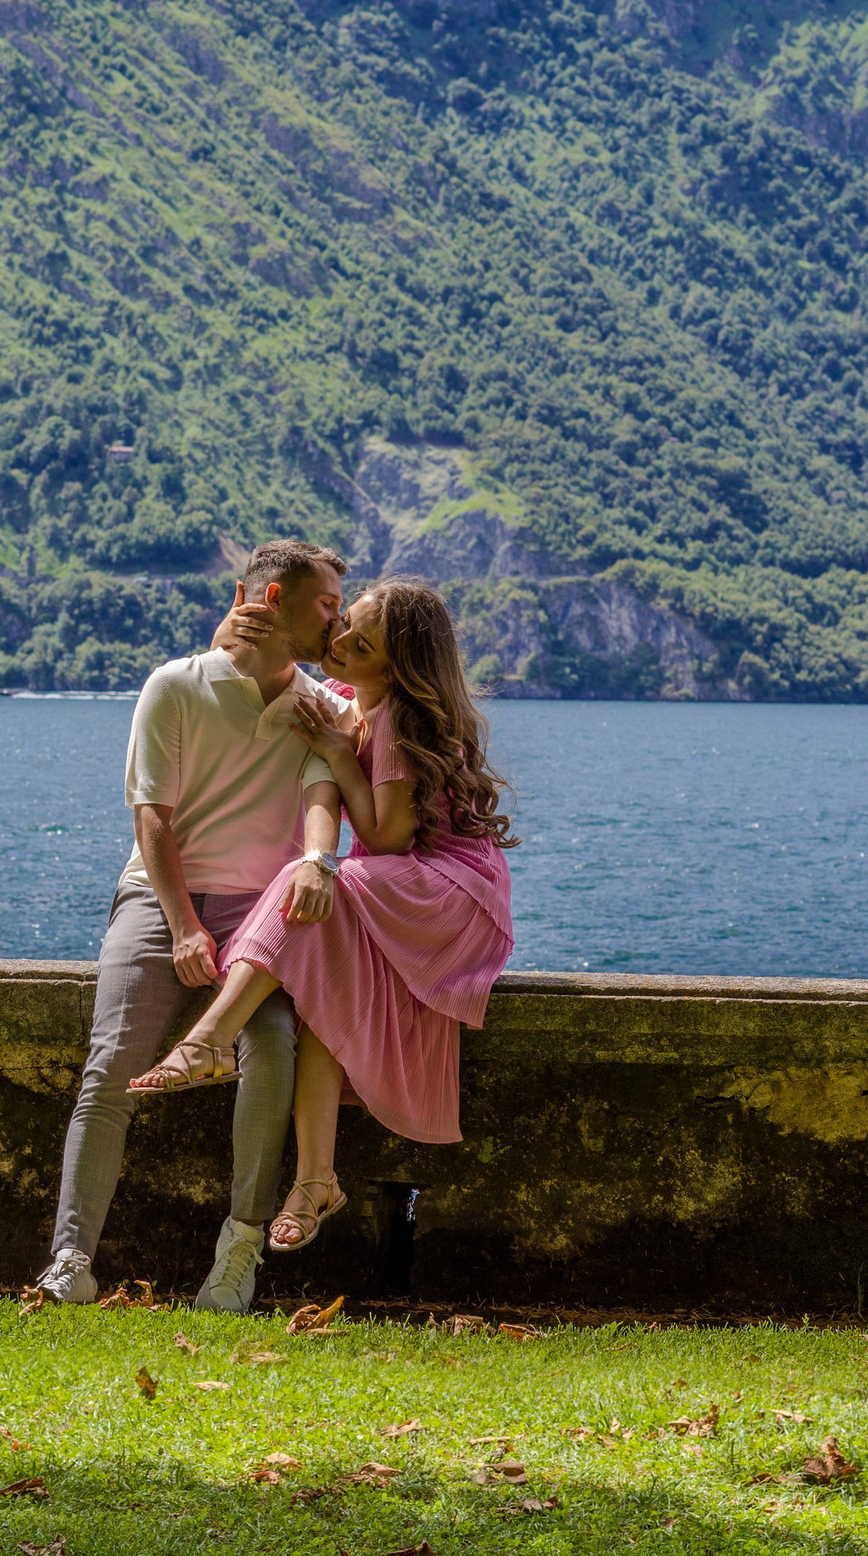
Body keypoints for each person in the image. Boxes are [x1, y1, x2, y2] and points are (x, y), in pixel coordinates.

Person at [126, 582, 516, 1251]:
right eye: (343, 626)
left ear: (393, 670)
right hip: (414, 887)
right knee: (323, 1003)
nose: (336, 644)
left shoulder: (390, 718)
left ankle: (211, 1038)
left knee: (304, 877)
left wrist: (338, 756)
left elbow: (388, 837)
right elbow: (259, 661)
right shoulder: (351, 700)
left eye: (358, 646)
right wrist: (239, 621)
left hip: (450, 895)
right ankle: (315, 1182)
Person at [34, 539, 349, 1315]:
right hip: (158, 897)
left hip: (261, 914)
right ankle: (70, 1260)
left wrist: (317, 860)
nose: (336, 624)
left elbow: (322, 799)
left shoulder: (323, 708)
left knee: (272, 1049)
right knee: (112, 1059)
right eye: (327, 606)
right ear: (272, 600)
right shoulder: (174, 685)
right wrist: (180, 927)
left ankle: (237, 1257)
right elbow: (153, 817)